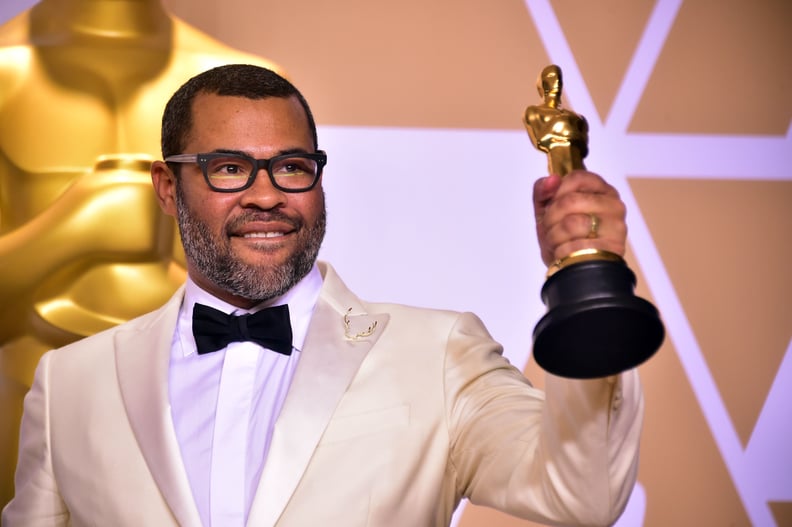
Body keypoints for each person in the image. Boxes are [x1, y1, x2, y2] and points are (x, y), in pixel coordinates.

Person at [2, 64, 643, 527]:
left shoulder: (439, 355)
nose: (265, 194)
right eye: (228, 168)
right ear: (168, 188)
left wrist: (589, 280)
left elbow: (580, 496)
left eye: (292, 166)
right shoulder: (69, 383)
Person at [0, 0, 283, 506]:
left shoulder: (249, 83)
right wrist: (74, 229)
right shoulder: (6, 72)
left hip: (202, 416)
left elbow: (275, 284)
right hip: (24, 422)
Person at [524, 64, 590, 178]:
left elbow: (584, 146)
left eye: (559, 77)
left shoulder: (577, 118)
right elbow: (539, 140)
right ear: (543, 83)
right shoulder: (535, 112)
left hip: (577, 160)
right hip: (557, 157)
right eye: (551, 77)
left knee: (580, 185)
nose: (557, 81)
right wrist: (563, 126)